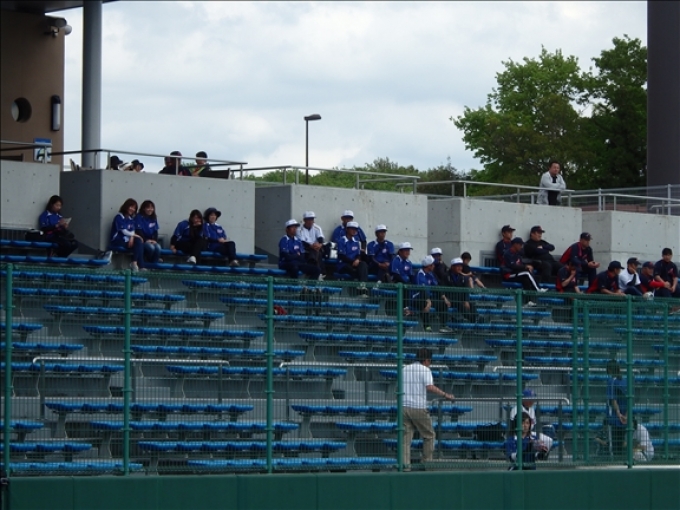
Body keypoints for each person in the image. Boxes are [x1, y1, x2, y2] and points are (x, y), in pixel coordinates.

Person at [402, 348, 454, 470]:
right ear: (427, 360)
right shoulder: (425, 370)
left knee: (405, 439)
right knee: (429, 435)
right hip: (418, 407)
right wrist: (445, 395)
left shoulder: (405, 369)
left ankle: (405, 466)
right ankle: (427, 464)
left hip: (404, 406)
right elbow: (430, 387)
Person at [410, 255, 452, 333]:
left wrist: (444, 298)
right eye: (433, 264)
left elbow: (436, 287)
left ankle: (443, 326)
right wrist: (428, 301)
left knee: (443, 304)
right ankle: (427, 327)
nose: (434, 266)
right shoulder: (420, 274)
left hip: (428, 297)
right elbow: (421, 290)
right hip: (417, 298)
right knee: (425, 304)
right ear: (429, 266)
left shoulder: (430, 274)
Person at [509, 388, 554, 458]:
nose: (532, 401)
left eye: (533, 399)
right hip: (519, 433)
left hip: (530, 433)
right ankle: (530, 455)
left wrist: (535, 438)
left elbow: (534, 426)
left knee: (549, 440)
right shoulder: (516, 409)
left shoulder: (532, 409)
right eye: (530, 399)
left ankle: (539, 455)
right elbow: (512, 426)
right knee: (529, 444)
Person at [501, 237, 544, 306]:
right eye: (520, 245)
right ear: (515, 244)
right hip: (508, 275)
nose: (521, 247)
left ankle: (527, 301)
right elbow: (512, 266)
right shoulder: (508, 253)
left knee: (526, 279)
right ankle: (538, 289)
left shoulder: (518, 254)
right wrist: (525, 267)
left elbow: (520, 265)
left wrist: (527, 267)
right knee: (526, 273)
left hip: (516, 273)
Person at [109, 198, 144, 271]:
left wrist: (132, 237)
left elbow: (132, 231)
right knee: (138, 241)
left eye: (134, 208)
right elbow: (124, 231)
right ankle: (138, 264)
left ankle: (135, 263)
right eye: (131, 207)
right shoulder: (119, 217)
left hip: (127, 240)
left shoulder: (131, 219)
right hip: (118, 240)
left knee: (139, 242)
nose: (132, 209)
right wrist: (134, 236)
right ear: (126, 206)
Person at [336, 221, 369, 294]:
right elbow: (342, 256)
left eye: (355, 229)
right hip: (344, 264)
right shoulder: (342, 240)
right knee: (355, 271)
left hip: (354, 262)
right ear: (347, 229)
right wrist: (353, 261)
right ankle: (356, 290)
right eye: (352, 229)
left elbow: (358, 253)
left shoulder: (356, 241)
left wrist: (357, 260)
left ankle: (362, 285)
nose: (354, 231)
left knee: (363, 264)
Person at [296, 211, 330, 277]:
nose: (310, 221)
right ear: (304, 220)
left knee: (316, 252)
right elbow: (302, 242)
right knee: (316, 253)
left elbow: (320, 239)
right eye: (308, 219)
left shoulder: (317, 227)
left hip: (317, 248)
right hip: (306, 249)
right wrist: (312, 246)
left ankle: (316, 272)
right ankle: (321, 273)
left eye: (312, 219)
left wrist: (319, 245)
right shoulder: (299, 229)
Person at [606, 359, 628, 456]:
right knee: (621, 444)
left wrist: (619, 414)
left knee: (613, 446)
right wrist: (626, 415)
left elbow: (613, 400)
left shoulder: (612, 381)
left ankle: (614, 461)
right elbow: (629, 400)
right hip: (624, 419)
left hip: (614, 418)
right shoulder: (625, 381)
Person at [448, 257, 478, 323]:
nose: (460, 268)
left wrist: (466, 300)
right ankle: (472, 320)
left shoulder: (463, 277)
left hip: (460, 298)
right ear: (452, 267)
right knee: (460, 305)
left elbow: (466, 289)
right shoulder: (447, 276)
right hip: (451, 299)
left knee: (471, 304)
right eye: (457, 266)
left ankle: (476, 318)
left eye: (461, 266)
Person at [135, 199, 161, 265]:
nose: (150, 209)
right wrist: (146, 240)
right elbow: (138, 231)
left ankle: (154, 264)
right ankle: (149, 261)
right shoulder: (139, 217)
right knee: (151, 248)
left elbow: (155, 231)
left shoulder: (153, 218)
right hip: (142, 240)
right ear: (144, 208)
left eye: (152, 208)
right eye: (148, 207)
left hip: (151, 240)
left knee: (158, 247)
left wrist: (154, 240)